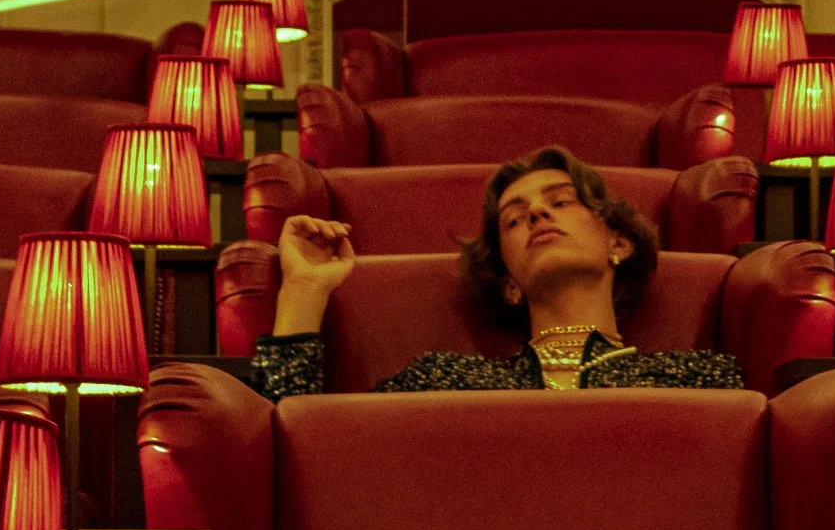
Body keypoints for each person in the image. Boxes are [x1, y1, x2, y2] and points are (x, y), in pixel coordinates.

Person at [251, 146, 745, 399]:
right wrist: (304, 287)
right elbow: (299, 440)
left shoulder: (702, 379)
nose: (536, 215)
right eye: (514, 218)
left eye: (561, 202)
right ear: (509, 282)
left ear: (618, 243)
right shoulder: (441, 381)